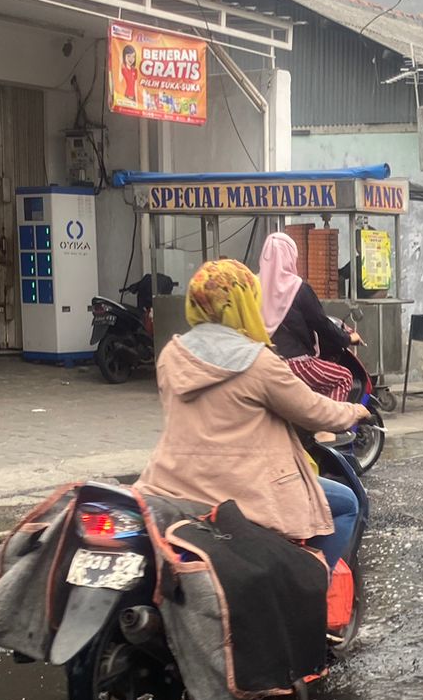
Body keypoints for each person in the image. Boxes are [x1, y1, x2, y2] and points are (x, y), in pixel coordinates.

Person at [136, 259, 371, 569]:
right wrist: (355, 410)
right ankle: (311, 588)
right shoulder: (259, 362)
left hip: (172, 482)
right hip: (244, 489)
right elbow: (314, 411)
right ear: (245, 303)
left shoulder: (171, 355)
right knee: (346, 505)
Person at [259, 231, 361, 402]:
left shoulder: (253, 285)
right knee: (343, 377)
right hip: (296, 363)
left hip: (263, 363)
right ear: (291, 256)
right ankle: (328, 427)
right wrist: (347, 338)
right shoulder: (298, 288)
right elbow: (321, 325)